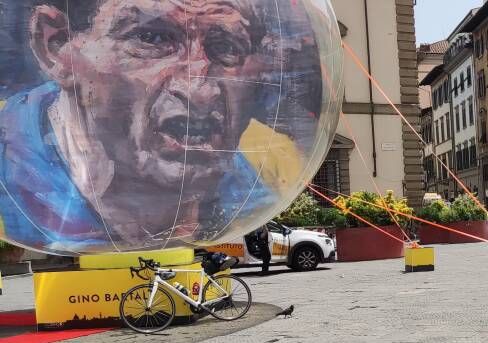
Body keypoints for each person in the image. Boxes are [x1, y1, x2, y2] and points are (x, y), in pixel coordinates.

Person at [0, 0, 288, 254]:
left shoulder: (271, 167)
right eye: (152, 38)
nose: (200, 90)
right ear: (57, 46)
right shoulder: (8, 178)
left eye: (225, 47)